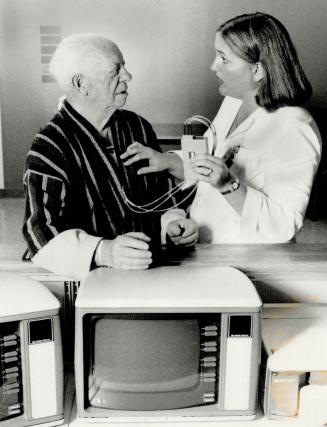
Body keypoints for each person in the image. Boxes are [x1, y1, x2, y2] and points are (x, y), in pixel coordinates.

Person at [122, 12, 321, 243]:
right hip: (207, 248)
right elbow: (207, 166)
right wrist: (167, 161)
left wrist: (229, 185)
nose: (213, 66)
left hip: (250, 262)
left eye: (224, 59)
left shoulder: (293, 127)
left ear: (257, 70)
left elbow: (284, 225)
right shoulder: (233, 103)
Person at [22, 34, 198, 280]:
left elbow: (162, 198)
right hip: (92, 282)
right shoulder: (49, 147)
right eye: (116, 70)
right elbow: (39, 233)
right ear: (81, 83)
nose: (128, 76)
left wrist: (171, 224)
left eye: (124, 66)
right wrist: (103, 251)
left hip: (154, 272)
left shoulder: (138, 127)